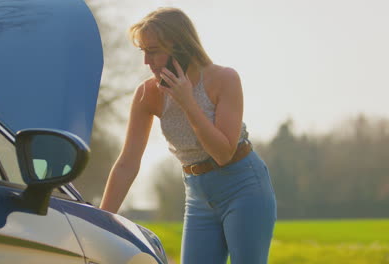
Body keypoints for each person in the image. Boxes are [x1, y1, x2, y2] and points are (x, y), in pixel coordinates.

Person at [100, 7, 277, 264]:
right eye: (143, 52)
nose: (146, 62)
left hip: (243, 187)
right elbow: (127, 164)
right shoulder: (146, 94)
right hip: (197, 195)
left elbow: (223, 153)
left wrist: (187, 102)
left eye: (153, 51)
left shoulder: (224, 78)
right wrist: (101, 221)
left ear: (179, 47)